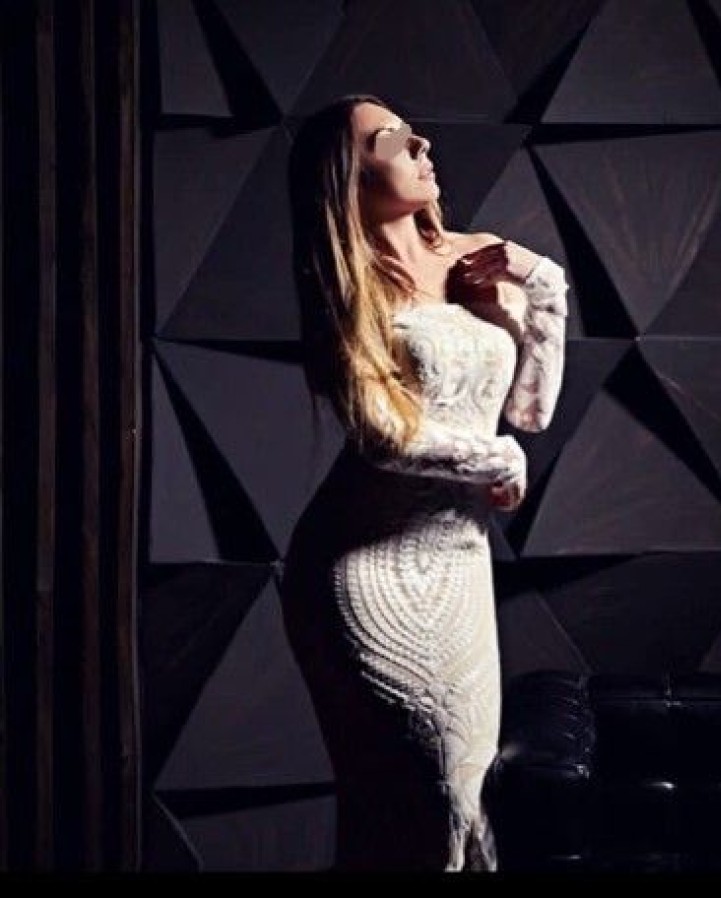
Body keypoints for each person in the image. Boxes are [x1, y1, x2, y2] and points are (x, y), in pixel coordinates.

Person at [279, 93, 569, 872]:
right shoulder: (349, 286)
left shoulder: (479, 257)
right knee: (423, 803)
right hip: (364, 566)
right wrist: (495, 461)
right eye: (394, 140)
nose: (422, 145)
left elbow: (529, 411)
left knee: (468, 802)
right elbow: (381, 434)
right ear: (349, 177)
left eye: (415, 133)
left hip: (460, 566)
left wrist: (545, 287)